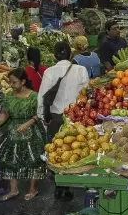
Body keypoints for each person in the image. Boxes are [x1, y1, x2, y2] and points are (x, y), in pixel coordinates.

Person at [37, 41, 89, 200]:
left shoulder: (49, 72)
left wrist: (42, 117)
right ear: (71, 54)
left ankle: (60, 186)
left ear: (54, 55)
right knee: (76, 149)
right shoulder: (81, 70)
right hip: (76, 118)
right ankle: (76, 183)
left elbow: (42, 97)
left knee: (57, 152)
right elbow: (85, 95)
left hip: (56, 118)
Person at [0, 68, 47, 201]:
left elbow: (39, 114)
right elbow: (5, 113)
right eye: (10, 82)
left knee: (34, 160)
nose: (11, 85)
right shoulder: (9, 96)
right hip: (13, 131)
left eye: (14, 82)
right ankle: (13, 189)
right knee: (9, 159)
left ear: (23, 81)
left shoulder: (34, 96)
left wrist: (27, 124)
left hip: (32, 131)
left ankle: (33, 189)